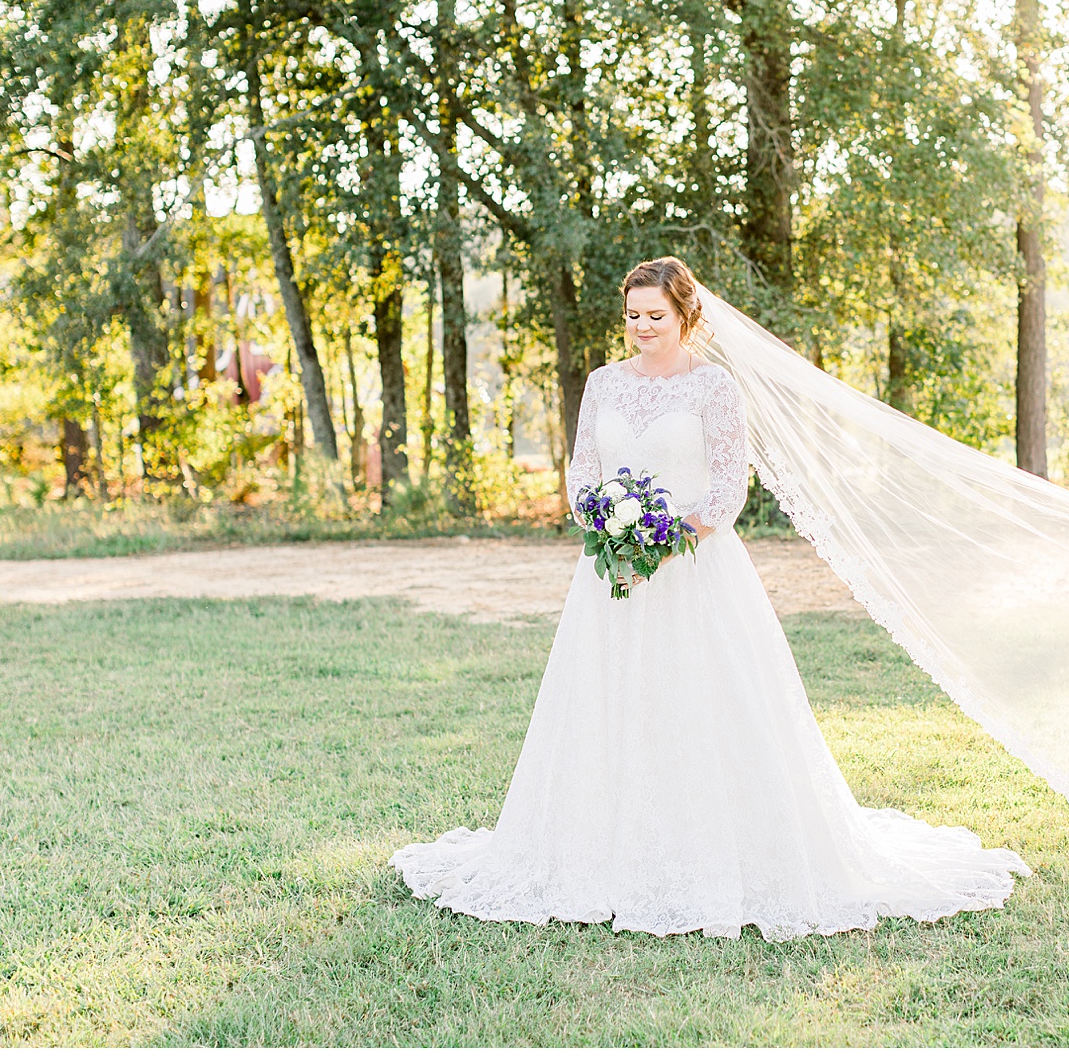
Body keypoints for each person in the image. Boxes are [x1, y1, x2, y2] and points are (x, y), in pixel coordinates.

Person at [390, 257, 1030, 941]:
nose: (641, 327)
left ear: (686, 315)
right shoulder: (604, 384)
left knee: (700, 704)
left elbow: (729, 486)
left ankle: (714, 853)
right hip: (611, 580)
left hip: (695, 571)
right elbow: (583, 471)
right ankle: (601, 854)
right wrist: (602, 521)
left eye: (654, 315)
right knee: (610, 705)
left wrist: (661, 541)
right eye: (632, 315)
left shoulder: (714, 387)